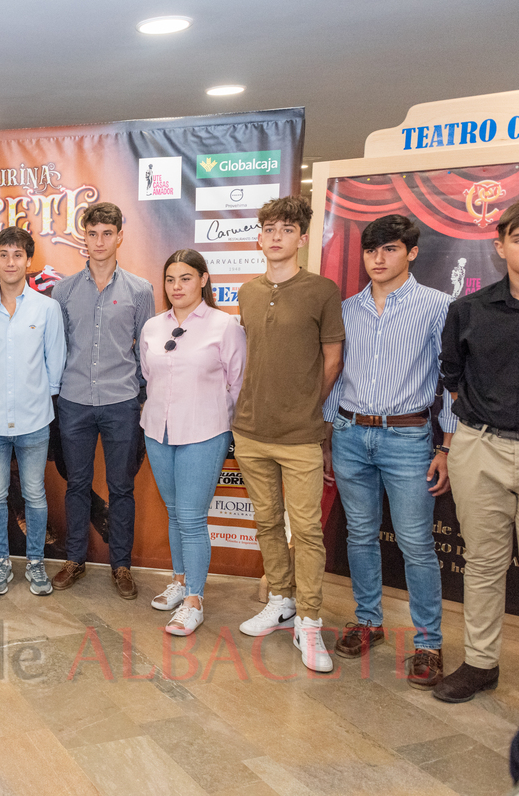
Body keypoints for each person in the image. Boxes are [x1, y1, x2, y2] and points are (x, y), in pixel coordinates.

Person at [322, 215, 453, 689]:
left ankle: (428, 644)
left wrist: (447, 443)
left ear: (411, 253)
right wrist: (329, 430)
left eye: (390, 249)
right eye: (371, 250)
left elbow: (451, 378)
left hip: (408, 438)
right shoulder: (347, 309)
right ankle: (368, 621)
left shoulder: (437, 306)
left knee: (416, 543)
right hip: (351, 434)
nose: (378, 259)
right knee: (359, 533)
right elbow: (335, 372)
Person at [233, 195, 344, 673]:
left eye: (286, 229)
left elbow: (333, 360)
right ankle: (280, 600)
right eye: (268, 228)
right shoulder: (248, 291)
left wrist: (305, 406)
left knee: (308, 531)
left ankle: (310, 620)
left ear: (302, 237)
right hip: (251, 430)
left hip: (301, 435)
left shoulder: (322, 290)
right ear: (259, 238)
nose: (276, 236)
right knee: (265, 522)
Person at [435, 201, 519, 703]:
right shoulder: (468, 309)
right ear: (501, 245)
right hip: (481, 447)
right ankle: (481, 663)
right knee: (485, 562)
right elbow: (451, 376)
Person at [50, 202, 153, 599]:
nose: (99, 241)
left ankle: (121, 566)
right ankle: (74, 558)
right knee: (76, 485)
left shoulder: (139, 290)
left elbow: (148, 348)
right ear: (84, 238)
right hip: (73, 401)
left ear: (120, 236)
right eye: (92, 233)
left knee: (120, 487)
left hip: (120, 402)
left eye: (107, 233)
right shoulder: (64, 290)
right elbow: (56, 347)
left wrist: (139, 393)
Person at [140, 249, 246, 635]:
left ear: (203, 279)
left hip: (204, 432)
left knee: (191, 517)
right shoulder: (153, 327)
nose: (176, 286)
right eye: (170, 279)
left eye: (185, 278)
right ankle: (180, 580)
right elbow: (148, 376)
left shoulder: (224, 326)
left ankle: (194, 600)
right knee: (174, 512)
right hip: (157, 431)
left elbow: (238, 384)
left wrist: (222, 424)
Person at [0, 226, 66, 596]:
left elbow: (54, 365)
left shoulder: (47, 308)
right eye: (3, 255)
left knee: (35, 495)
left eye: (17, 255)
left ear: (28, 261)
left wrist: (37, 397)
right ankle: (2, 563)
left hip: (35, 419)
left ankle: (36, 564)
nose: (10, 262)